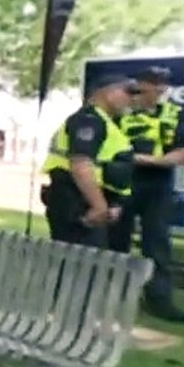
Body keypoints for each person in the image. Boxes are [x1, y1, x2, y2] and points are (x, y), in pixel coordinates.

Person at [109, 66, 184, 323]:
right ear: (139, 84)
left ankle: (159, 300)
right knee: (116, 241)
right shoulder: (121, 112)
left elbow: (183, 148)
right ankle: (111, 297)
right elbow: (112, 151)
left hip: (159, 185)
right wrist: (152, 160)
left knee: (158, 243)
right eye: (153, 83)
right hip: (125, 180)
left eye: (163, 84)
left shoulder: (174, 112)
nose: (159, 89)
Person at [40, 74, 137, 248]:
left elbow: (107, 167)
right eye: (128, 92)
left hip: (86, 201)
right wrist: (99, 206)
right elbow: (81, 164)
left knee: (89, 266)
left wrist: (113, 203)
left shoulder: (105, 122)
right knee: (79, 267)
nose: (131, 99)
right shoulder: (89, 120)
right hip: (75, 201)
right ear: (108, 92)